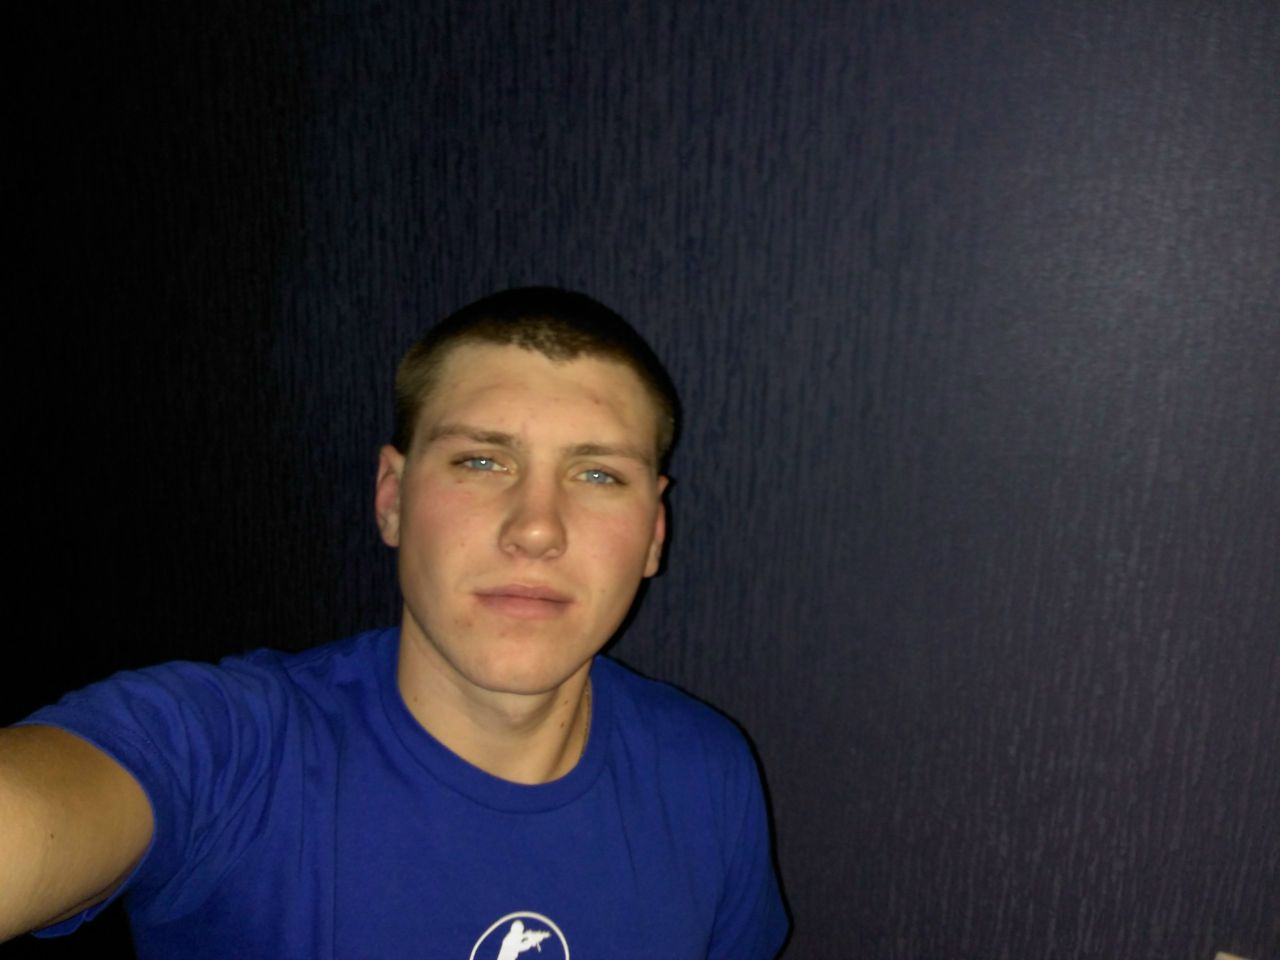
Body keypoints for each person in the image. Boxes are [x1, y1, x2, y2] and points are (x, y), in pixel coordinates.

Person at [0, 287, 789, 958]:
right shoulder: (229, 754)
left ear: (654, 533)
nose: (536, 528)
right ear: (392, 498)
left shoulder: (707, 773)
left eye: (597, 474)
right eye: (482, 461)